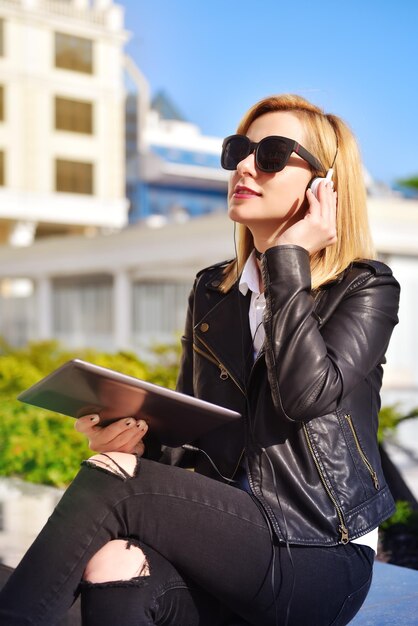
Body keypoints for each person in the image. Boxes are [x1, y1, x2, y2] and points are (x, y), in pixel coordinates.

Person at [0, 94, 400, 626]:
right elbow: (197, 428)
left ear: (325, 185)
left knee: (120, 481)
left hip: (318, 549)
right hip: (229, 539)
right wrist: (137, 440)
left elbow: (305, 396)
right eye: (238, 150)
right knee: (116, 564)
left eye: (272, 154)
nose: (243, 166)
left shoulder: (365, 286)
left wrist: (288, 259)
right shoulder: (213, 290)